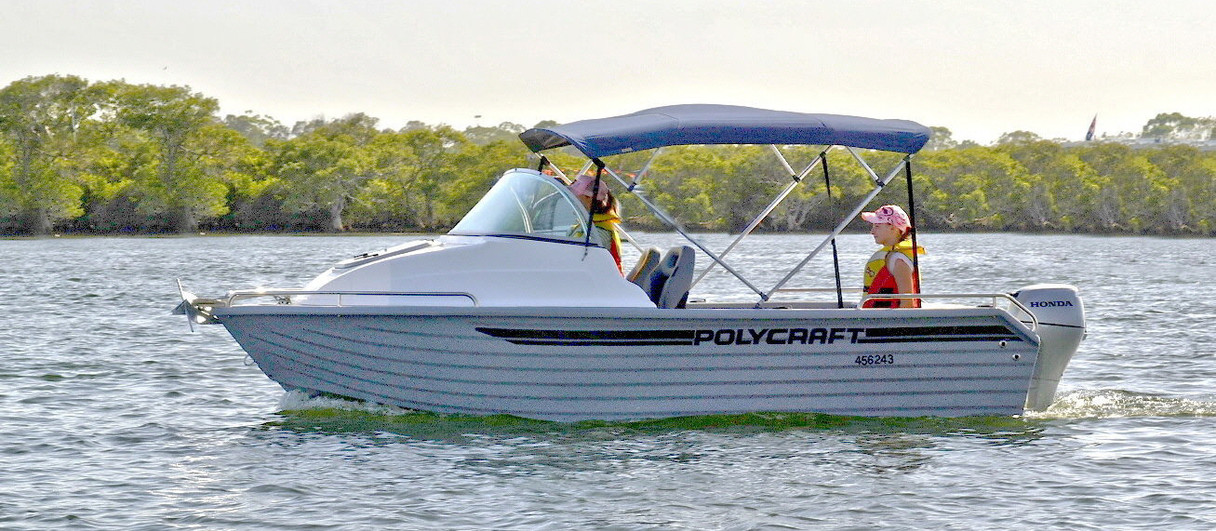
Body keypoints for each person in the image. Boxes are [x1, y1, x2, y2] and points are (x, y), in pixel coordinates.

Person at [860, 204, 924, 308]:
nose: (872, 232)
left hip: (885, 319)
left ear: (893, 228)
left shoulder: (898, 259)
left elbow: (908, 303)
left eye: (877, 226)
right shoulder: (891, 256)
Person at [569, 173, 624, 274]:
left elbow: (583, 264)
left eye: (575, 195)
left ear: (589, 198)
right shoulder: (587, 226)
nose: (571, 200)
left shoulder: (598, 232)